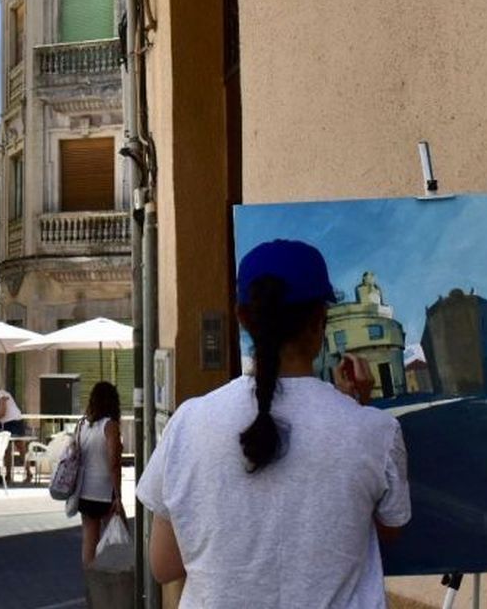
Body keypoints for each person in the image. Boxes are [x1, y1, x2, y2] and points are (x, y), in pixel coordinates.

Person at [136, 239, 410, 608]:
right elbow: (387, 530)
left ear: (242, 317)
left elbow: (164, 565)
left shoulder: (188, 423)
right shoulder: (375, 431)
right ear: (320, 321)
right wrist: (356, 408)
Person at [75, 381, 124, 569]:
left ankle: (90, 579)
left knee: (89, 540)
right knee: (118, 537)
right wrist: (118, 495)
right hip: (105, 491)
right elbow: (114, 463)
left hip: (84, 491)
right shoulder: (110, 426)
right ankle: (114, 577)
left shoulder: (82, 425)